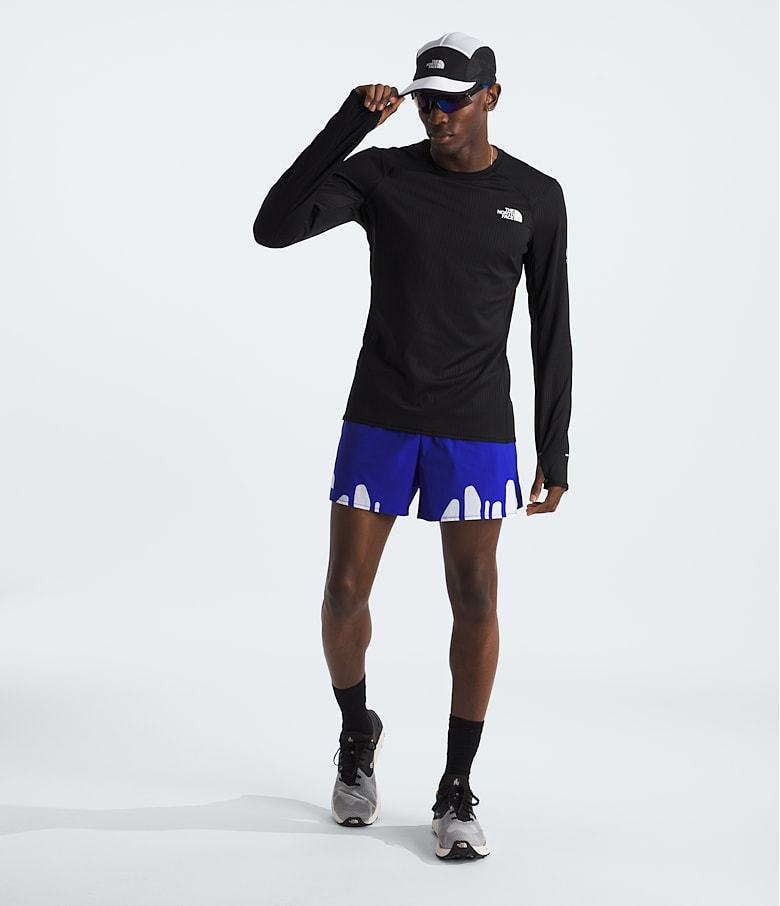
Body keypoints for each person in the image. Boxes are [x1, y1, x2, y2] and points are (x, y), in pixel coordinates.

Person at [252, 31, 572, 861]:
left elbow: (551, 327)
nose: (436, 115)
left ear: (491, 97)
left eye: (452, 101)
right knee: (343, 591)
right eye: (426, 99)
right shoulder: (383, 175)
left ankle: (456, 786)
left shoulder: (535, 196)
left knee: (476, 598)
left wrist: (555, 445)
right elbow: (273, 228)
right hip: (381, 414)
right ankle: (357, 731)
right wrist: (348, 125)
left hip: (476, 428)